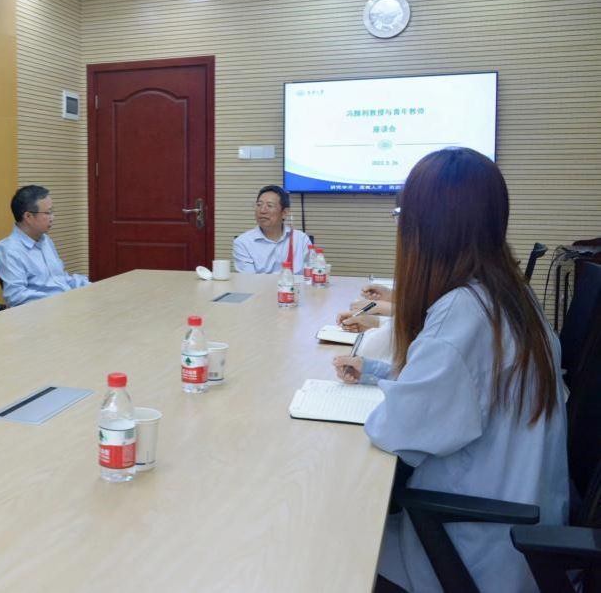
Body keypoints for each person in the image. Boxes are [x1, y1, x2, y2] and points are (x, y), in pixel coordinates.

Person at [332, 147, 567, 591]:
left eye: (402, 215)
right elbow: (461, 388)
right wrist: (377, 372)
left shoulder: (463, 314)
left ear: (425, 227)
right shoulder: (506, 294)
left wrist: (383, 387)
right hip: (518, 521)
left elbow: (397, 432)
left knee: (324, 536)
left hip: (468, 543)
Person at [0, 185, 89, 307]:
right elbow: (16, 296)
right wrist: (61, 299)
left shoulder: (45, 240)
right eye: (48, 213)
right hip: (41, 311)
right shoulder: (9, 249)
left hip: (64, 304)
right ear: (28, 217)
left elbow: (61, 279)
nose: (52, 217)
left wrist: (90, 286)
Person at [232, 185, 312, 273]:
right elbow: (249, 278)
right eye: (259, 205)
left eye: (269, 206)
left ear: (284, 213)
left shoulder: (301, 240)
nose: (262, 210)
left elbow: (311, 275)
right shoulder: (243, 243)